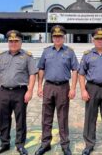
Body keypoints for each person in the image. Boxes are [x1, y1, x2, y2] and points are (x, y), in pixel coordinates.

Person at [0, 30, 38, 155]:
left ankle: (20, 144)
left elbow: (33, 74)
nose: (13, 43)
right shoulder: (1, 56)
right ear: (8, 42)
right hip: (4, 91)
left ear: (21, 42)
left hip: (20, 92)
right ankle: (4, 143)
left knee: (20, 119)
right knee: (3, 118)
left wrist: (30, 91)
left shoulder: (27, 56)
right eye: (11, 41)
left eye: (16, 41)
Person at [35, 25, 79, 155]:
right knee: (46, 116)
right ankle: (45, 143)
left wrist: (73, 88)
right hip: (48, 86)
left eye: (60, 36)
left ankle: (65, 145)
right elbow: (41, 68)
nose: (57, 38)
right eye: (55, 36)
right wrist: (39, 86)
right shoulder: (46, 51)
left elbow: (75, 69)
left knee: (63, 117)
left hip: (63, 87)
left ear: (63, 37)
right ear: (52, 37)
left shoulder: (70, 52)